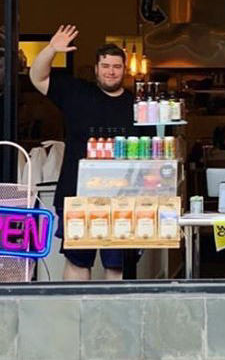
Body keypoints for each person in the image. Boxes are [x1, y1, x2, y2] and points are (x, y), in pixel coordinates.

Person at [29, 25, 141, 281]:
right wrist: (51, 50)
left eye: (117, 66)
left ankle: (113, 319)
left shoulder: (137, 105)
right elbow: (38, 77)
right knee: (78, 261)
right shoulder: (77, 93)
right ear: (97, 69)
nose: (111, 71)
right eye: (106, 66)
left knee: (117, 265)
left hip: (122, 197)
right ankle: (75, 317)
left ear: (124, 70)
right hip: (77, 194)